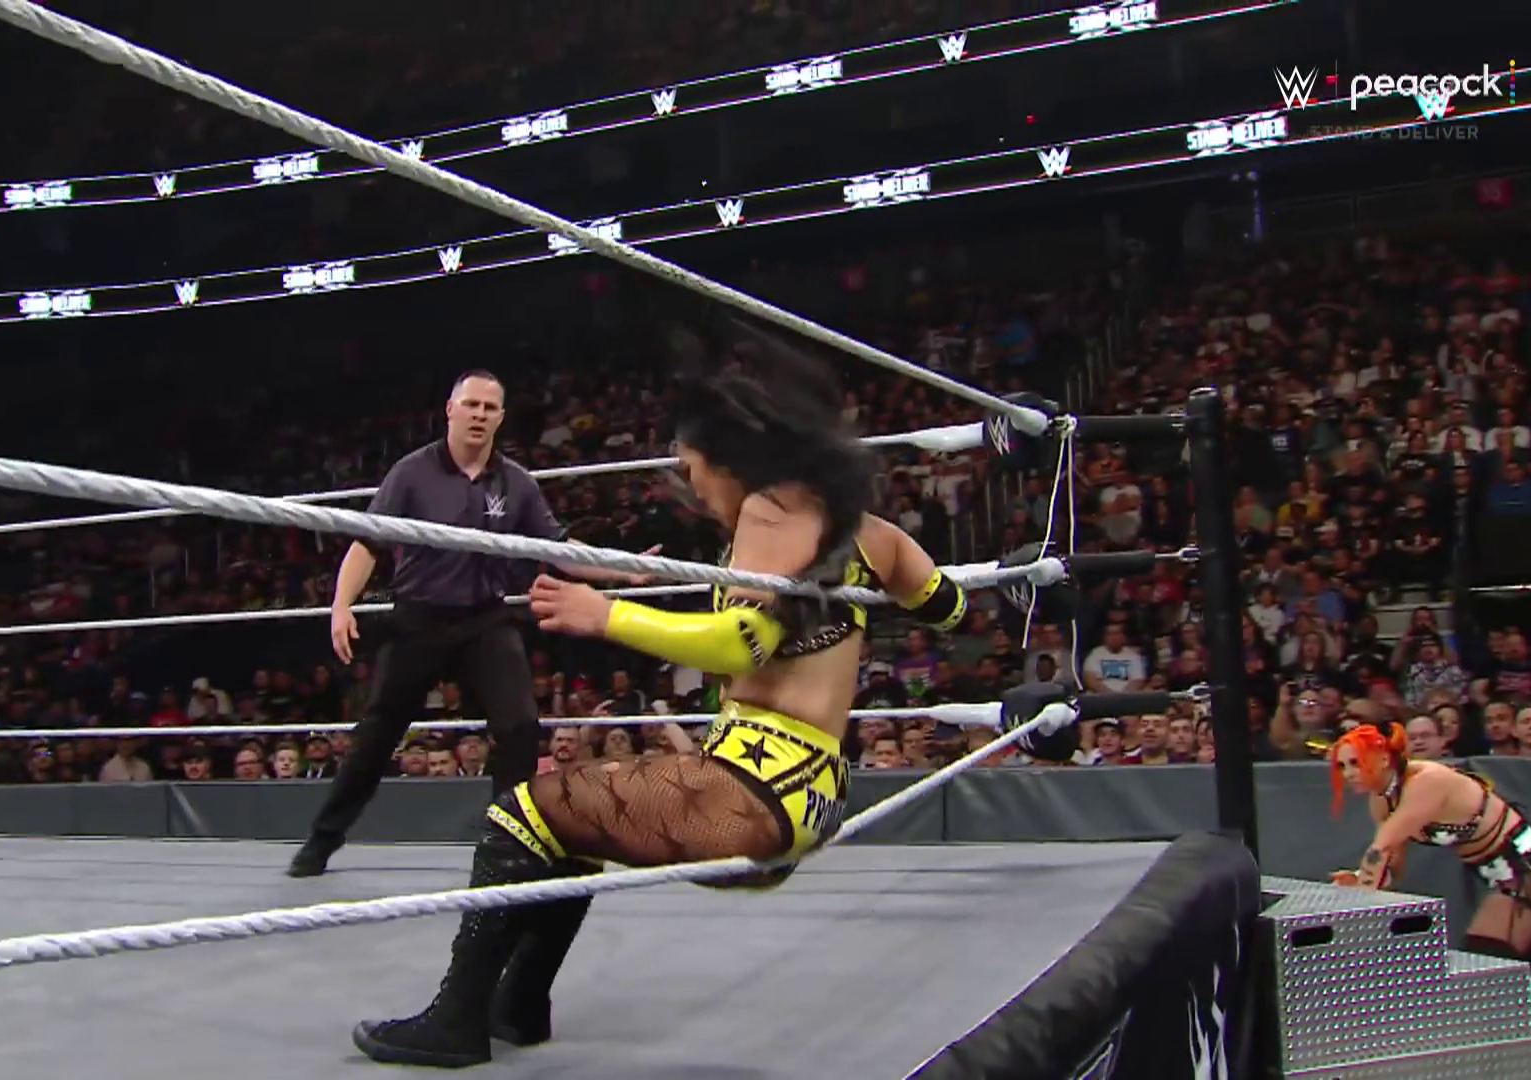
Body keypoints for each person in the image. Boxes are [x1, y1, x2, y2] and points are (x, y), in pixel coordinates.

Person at [353, 323, 1076, 1068]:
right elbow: (944, 607)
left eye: (692, 467)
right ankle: (519, 1004)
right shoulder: (873, 532)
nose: (692, 486)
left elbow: (741, 642)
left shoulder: (769, 510)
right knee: (570, 817)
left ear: (730, 457)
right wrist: (997, 580)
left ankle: (455, 1022)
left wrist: (606, 616)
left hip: (752, 791)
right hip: (810, 790)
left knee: (516, 815)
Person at [288, 370, 643, 877]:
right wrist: (341, 604)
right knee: (376, 736)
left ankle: (509, 843)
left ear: (501, 418)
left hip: (485, 618)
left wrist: (627, 568)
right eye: (471, 404)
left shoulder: (516, 482)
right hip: (418, 618)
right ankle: (321, 841)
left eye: (489, 407)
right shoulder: (412, 472)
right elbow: (367, 541)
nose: (479, 414)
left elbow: (560, 549)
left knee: (520, 726)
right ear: (450, 409)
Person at [1328, 723, 1531, 990]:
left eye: (1356, 762)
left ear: (1384, 759)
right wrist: (1360, 878)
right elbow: (1391, 866)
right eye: (1342, 766)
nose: (1349, 773)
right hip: (1502, 880)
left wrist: (1361, 897)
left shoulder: (1427, 780)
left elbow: (1380, 848)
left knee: (1480, 971)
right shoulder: (1382, 800)